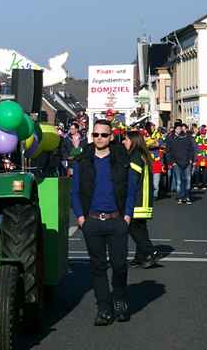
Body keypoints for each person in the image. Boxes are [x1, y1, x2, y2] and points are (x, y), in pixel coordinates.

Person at [71, 120, 138, 326]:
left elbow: (131, 190)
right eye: (96, 134)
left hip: (116, 221)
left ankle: (119, 300)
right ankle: (104, 308)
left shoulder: (121, 159)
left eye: (104, 135)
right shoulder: (83, 161)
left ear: (111, 137)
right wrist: (81, 218)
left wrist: (127, 216)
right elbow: (74, 192)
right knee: (98, 267)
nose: (99, 138)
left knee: (119, 265)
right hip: (92, 221)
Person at [123, 131, 160, 269]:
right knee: (141, 229)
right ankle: (140, 257)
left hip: (137, 200)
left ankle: (151, 251)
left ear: (133, 141)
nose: (123, 142)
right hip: (144, 199)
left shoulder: (134, 157)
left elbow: (132, 180)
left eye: (126, 139)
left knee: (134, 229)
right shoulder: (142, 155)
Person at [166, 122, 195, 205]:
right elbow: (169, 151)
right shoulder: (171, 138)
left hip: (187, 162)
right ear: (175, 129)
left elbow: (191, 150)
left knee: (188, 180)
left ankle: (187, 196)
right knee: (179, 181)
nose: (180, 130)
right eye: (178, 128)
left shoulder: (187, 137)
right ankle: (180, 197)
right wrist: (172, 162)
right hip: (177, 163)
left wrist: (191, 159)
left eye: (180, 128)